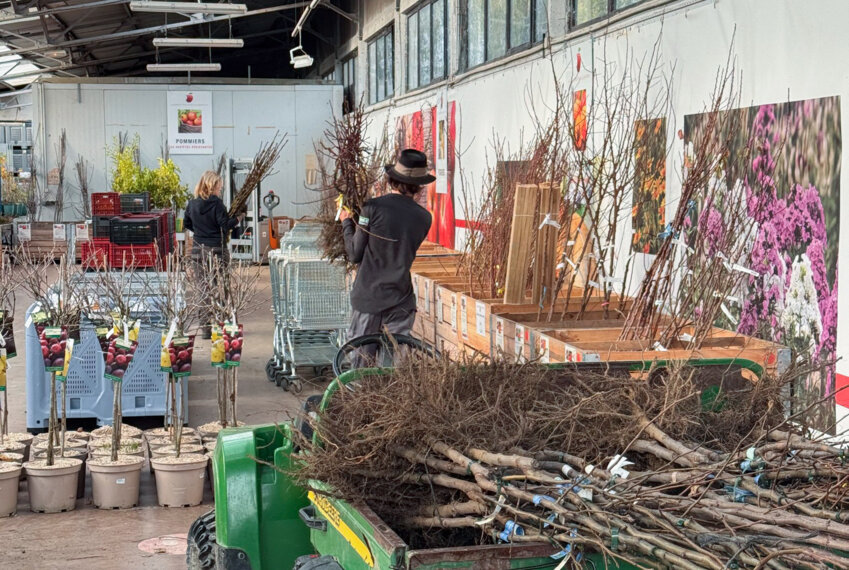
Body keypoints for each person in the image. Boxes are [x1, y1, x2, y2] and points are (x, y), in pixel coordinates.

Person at [340, 149, 433, 351]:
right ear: (419, 186)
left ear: (392, 179)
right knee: (393, 369)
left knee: (360, 365)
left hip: (369, 299)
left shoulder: (372, 208)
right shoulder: (425, 218)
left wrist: (347, 223)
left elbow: (355, 254)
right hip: (401, 301)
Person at [184, 170, 243, 338]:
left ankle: (205, 329)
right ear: (212, 186)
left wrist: (201, 232)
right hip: (217, 250)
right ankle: (222, 325)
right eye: (219, 187)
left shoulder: (192, 204)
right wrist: (238, 218)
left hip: (198, 251)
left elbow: (187, 223)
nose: (220, 190)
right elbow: (225, 225)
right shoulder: (217, 204)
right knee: (220, 287)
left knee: (202, 288)